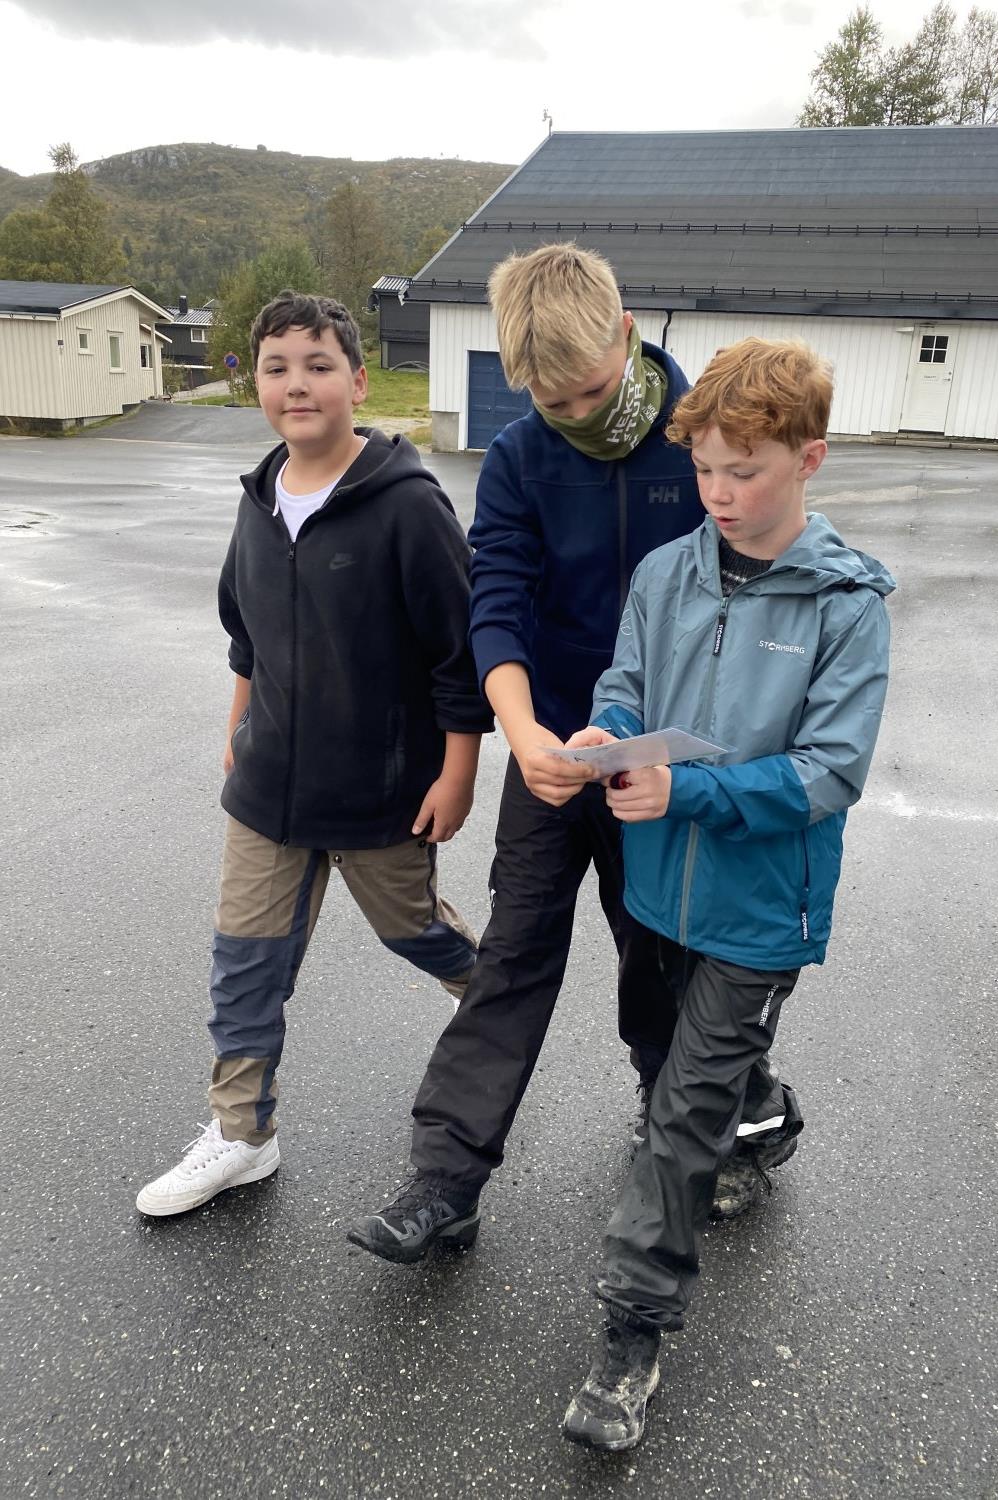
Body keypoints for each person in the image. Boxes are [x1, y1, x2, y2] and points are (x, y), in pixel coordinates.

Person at [559, 336, 895, 1450]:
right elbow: (626, 682)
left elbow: (829, 772)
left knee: (676, 1115)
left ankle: (630, 1337)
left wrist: (689, 790)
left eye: (743, 470)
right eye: (704, 468)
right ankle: (768, 1116)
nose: (718, 492)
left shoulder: (848, 603)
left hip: (760, 911)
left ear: (810, 459)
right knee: (687, 1057)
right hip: (657, 891)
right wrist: (607, 731)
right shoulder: (666, 573)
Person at [347, 244, 708, 1264]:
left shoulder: (702, 438)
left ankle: (694, 1122)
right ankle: (445, 1180)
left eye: (592, 391)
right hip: (550, 750)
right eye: (552, 402)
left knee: (662, 953)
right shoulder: (517, 457)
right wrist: (523, 733)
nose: (578, 417)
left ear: (626, 335)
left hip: (662, 763)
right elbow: (496, 600)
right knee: (512, 956)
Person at [136, 291, 491, 1218]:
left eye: (318, 366)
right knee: (245, 959)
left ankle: (497, 1005)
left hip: (381, 793)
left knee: (415, 933)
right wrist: (238, 730)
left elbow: (459, 654)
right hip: (268, 788)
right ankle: (242, 1133)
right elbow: (246, 634)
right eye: (277, 368)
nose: (297, 385)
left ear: (358, 382)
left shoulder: (408, 506)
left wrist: (456, 772)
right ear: (255, 384)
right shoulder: (258, 500)